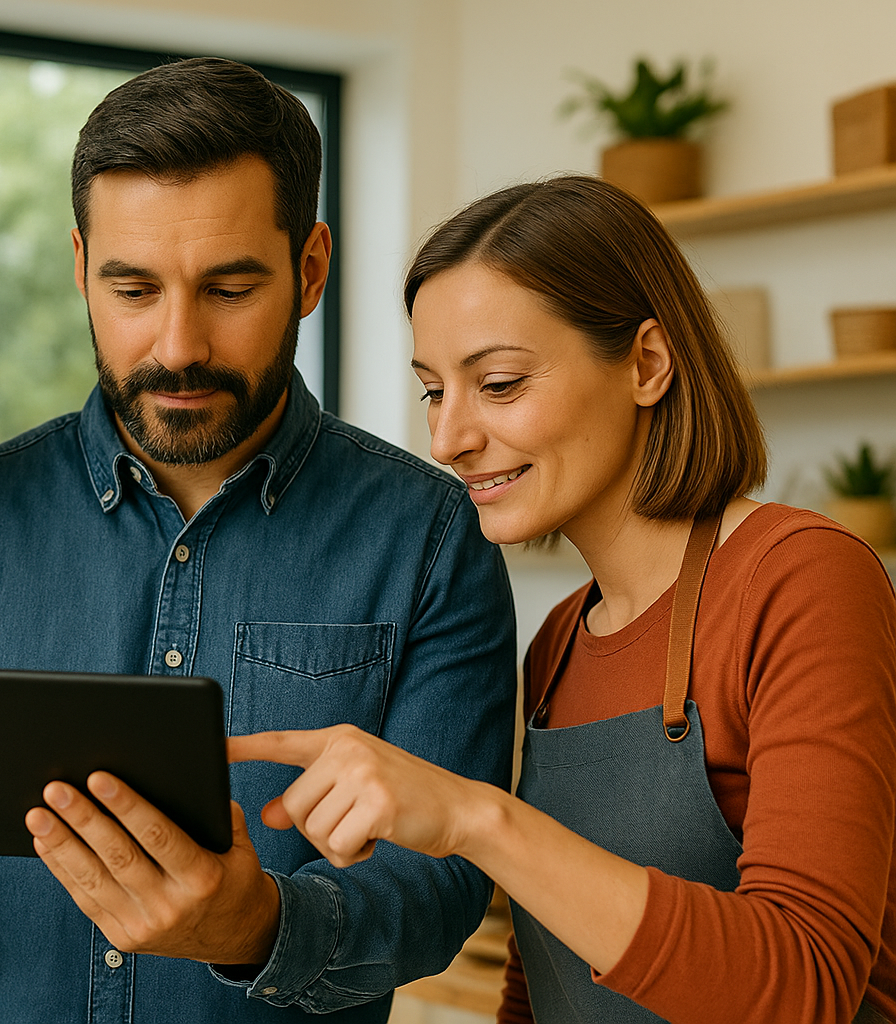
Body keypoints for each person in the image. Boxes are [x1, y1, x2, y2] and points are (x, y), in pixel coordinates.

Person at [0, 56, 517, 1022]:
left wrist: (258, 928)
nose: (176, 345)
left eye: (230, 288)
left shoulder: (432, 538)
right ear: (81, 268)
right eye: (132, 290)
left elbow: (445, 890)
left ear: (311, 270)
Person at [229, 175, 896, 1024]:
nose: (448, 438)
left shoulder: (802, 579)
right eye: (435, 389)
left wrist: (477, 818)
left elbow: (805, 983)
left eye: (499, 384)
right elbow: (544, 980)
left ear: (647, 364)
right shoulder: (560, 641)